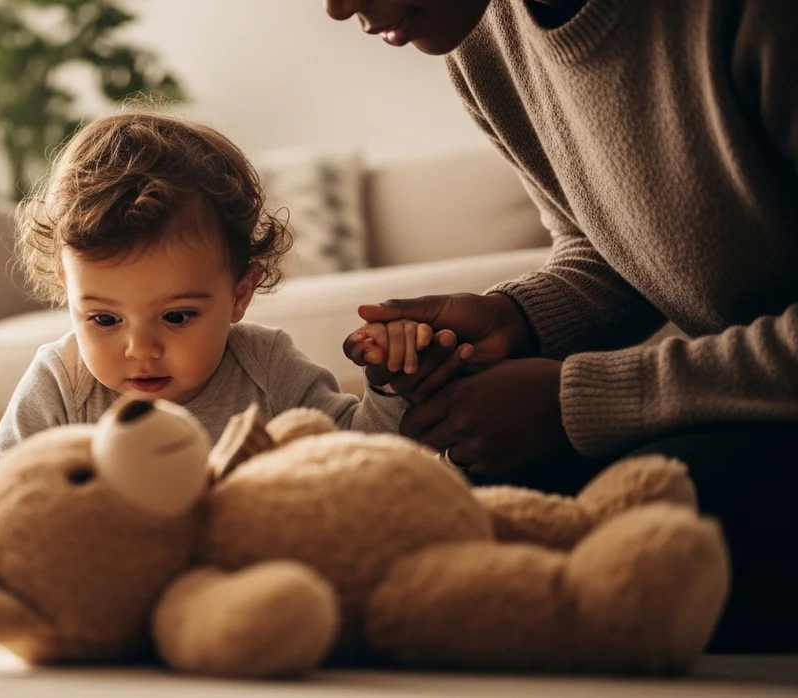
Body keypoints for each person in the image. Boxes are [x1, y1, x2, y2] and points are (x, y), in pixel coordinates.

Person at [326, 0, 798, 652]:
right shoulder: (483, 39)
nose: (335, 6)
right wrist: (513, 319)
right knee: (434, 514)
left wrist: (580, 399)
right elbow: (612, 245)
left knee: (656, 536)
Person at [0, 108, 455, 641]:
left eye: (176, 317)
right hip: (106, 590)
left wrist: (389, 382)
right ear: (66, 288)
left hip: (231, 578)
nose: (141, 349)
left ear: (240, 292)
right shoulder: (63, 378)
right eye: (103, 319)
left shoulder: (267, 367)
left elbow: (356, 460)